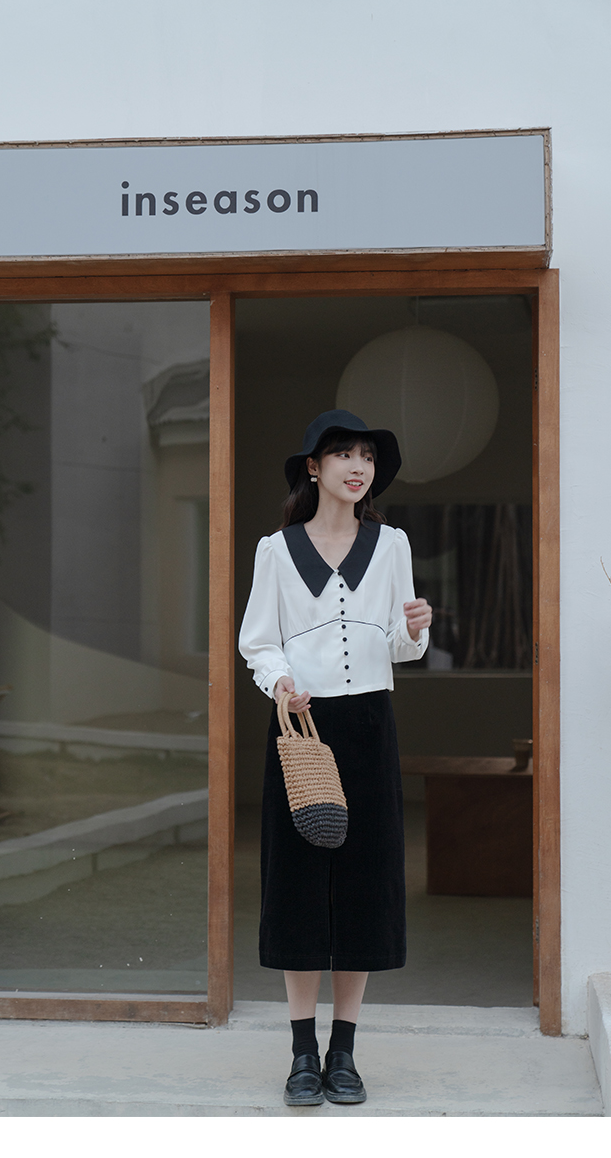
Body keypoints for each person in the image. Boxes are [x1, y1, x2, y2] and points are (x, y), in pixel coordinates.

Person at [238, 409, 432, 1107]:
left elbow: (398, 648)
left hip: (370, 726)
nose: (358, 467)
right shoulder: (276, 550)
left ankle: (343, 1052)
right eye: (344, 454)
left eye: (368, 457)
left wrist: (416, 630)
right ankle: (301, 1053)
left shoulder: (392, 544)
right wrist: (280, 683)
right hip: (303, 728)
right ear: (313, 469)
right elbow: (258, 641)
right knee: (296, 885)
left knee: (364, 888)